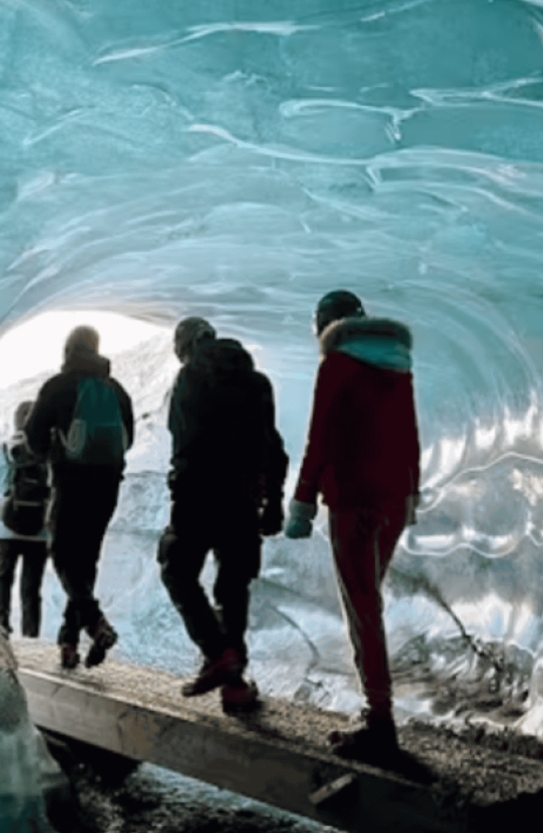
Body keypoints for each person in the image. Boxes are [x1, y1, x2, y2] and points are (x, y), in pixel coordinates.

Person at [284, 290, 420, 760]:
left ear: (326, 323)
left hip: (356, 501)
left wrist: (301, 502)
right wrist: (411, 494)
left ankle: (379, 721)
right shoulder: (397, 365)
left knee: (363, 610)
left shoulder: (337, 365)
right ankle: (376, 712)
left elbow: (319, 436)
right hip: (394, 500)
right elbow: (409, 433)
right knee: (369, 605)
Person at [160, 318, 288, 713]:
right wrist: (275, 501)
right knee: (233, 587)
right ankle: (234, 686)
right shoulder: (258, 382)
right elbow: (274, 447)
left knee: (177, 570)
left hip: (199, 492)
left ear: (185, 347)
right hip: (245, 498)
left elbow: (185, 440)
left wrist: (182, 484)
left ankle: (218, 653)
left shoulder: (189, 377)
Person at [21, 325, 135, 670]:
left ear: (68, 349)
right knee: (85, 561)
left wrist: (50, 455)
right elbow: (127, 438)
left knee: (62, 554)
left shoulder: (59, 385)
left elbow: (33, 435)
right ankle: (69, 644)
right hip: (108, 484)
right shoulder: (115, 389)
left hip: (71, 482)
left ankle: (93, 621)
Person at [0, 399, 51, 638]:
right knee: (31, 588)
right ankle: (30, 634)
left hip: (6, 527)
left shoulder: (3, 450)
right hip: (39, 529)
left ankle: (0, 625)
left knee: (3, 577)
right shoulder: (48, 452)